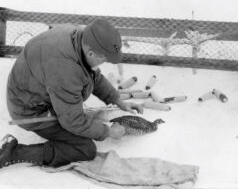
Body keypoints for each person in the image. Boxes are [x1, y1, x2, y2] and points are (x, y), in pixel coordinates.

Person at [0, 19, 143, 168]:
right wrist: (108, 132)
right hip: (29, 111)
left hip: (32, 91)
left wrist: (118, 100)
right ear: (91, 53)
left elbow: (94, 75)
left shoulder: (79, 37)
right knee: (84, 149)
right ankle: (14, 152)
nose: (105, 62)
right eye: (105, 59)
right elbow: (73, 121)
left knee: (83, 119)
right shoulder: (64, 70)